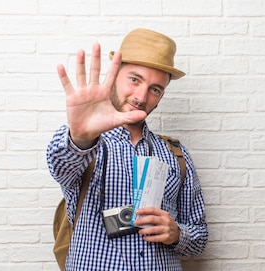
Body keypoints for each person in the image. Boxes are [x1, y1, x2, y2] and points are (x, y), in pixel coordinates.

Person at [46, 28, 208, 270]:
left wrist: (177, 234)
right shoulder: (86, 144)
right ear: (114, 74)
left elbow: (200, 237)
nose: (141, 97)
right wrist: (80, 136)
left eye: (155, 89)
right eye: (134, 79)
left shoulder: (176, 155)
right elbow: (60, 163)